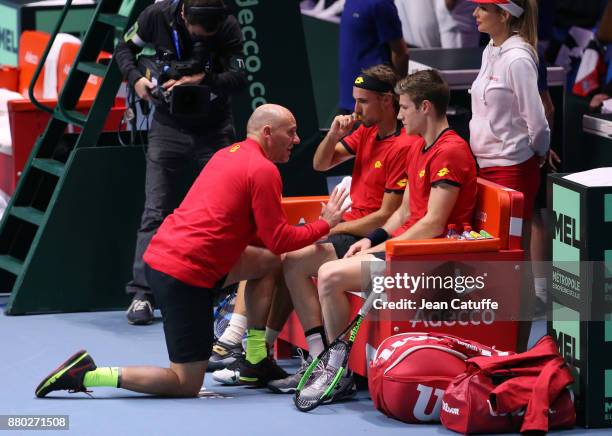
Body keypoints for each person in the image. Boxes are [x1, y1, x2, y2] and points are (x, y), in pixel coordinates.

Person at [34, 104, 349, 398]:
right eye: (290, 132)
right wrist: (325, 224)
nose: (296, 139)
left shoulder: (228, 154)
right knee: (185, 382)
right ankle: (87, 375)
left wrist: (296, 232)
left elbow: (261, 238)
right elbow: (279, 239)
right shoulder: (264, 171)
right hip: (183, 274)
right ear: (267, 133)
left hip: (173, 256)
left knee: (267, 264)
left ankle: (254, 358)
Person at [302, 69, 477, 402]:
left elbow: (433, 223)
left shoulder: (450, 151)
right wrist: (372, 240)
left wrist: (383, 248)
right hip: (410, 249)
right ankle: (336, 366)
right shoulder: (420, 148)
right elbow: (403, 212)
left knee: (329, 275)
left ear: (425, 107)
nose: (399, 114)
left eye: (405, 107)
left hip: (435, 258)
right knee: (330, 271)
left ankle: (336, 370)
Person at [266, 64, 414, 394]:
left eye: (363, 101)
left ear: (387, 101)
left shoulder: (403, 146)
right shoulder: (366, 132)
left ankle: (329, 364)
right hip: (348, 228)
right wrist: (333, 133)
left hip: (366, 235)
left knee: (293, 260)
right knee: (286, 257)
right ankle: (313, 359)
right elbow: (320, 163)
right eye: (354, 101)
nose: (356, 109)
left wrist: (334, 227)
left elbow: (384, 216)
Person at [115, 0, 247, 325]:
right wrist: (136, 80)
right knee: (155, 211)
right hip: (167, 127)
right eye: (198, 31)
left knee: (224, 212)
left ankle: (221, 291)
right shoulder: (155, 16)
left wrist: (205, 79)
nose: (203, 36)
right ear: (185, 15)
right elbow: (124, 49)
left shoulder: (227, 25)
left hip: (214, 128)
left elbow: (241, 76)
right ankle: (142, 294)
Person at [338, 0, 409, 113]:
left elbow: (400, 53)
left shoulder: (381, 4)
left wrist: (400, 92)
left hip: (372, 104)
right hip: (350, 101)